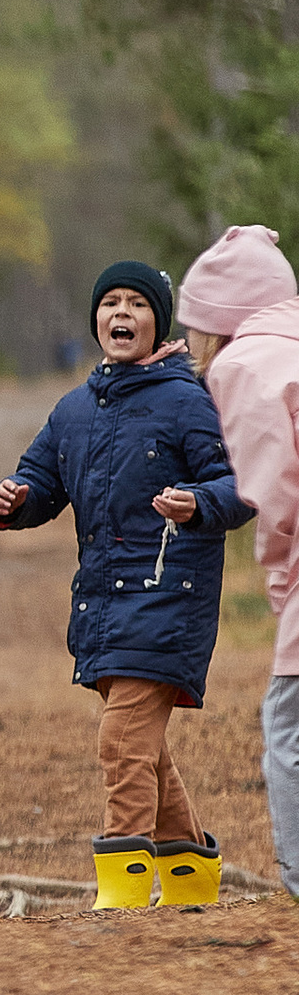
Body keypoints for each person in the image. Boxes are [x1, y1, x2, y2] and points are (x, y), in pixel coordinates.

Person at [0, 259, 251, 909]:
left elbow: (239, 485)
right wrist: (9, 500)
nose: (121, 313)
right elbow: (39, 482)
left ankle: (124, 897)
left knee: (121, 741)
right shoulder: (74, 409)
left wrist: (197, 501)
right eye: (111, 303)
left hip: (169, 598)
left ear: (158, 323)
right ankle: (191, 886)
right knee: (144, 749)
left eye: (137, 302)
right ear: (96, 319)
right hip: (101, 603)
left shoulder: (187, 400)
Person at [178, 224, 299, 900]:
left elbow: (275, 494)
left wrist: (281, 581)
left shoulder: (243, 367)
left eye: (195, 323)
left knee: (287, 725)